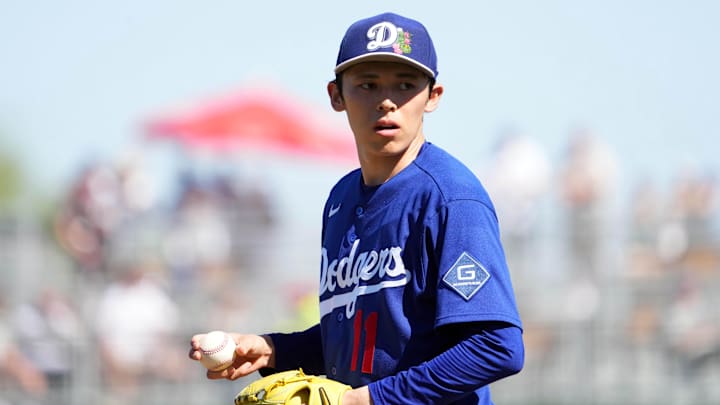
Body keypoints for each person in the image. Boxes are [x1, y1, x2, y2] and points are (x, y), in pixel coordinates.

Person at [189, 12, 524, 404]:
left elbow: (496, 346)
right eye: (367, 85)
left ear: (433, 97)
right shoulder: (340, 199)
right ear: (336, 95)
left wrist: (367, 400)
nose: (387, 101)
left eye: (405, 85)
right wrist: (272, 350)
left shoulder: (450, 197)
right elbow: (360, 337)